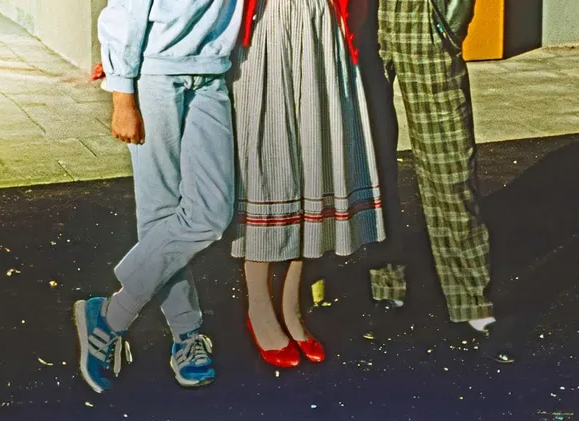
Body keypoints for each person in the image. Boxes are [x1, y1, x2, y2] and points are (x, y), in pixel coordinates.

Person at [74, 0, 245, 393]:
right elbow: (125, 10)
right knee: (160, 211)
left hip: (211, 71)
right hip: (154, 73)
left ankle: (112, 316)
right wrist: (122, 96)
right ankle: (187, 334)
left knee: (211, 214)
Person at [229, 0, 383, 368]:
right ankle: (259, 307)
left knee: (313, 161)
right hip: (265, 25)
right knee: (268, 163)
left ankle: (291, 304)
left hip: (319, 21)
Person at [359, 0, 514, 363]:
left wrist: (451, 22)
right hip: (362, 19)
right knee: (368, 161)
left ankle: (470, 298)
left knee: (449, 162)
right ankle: (385, 286)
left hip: (422, 17)